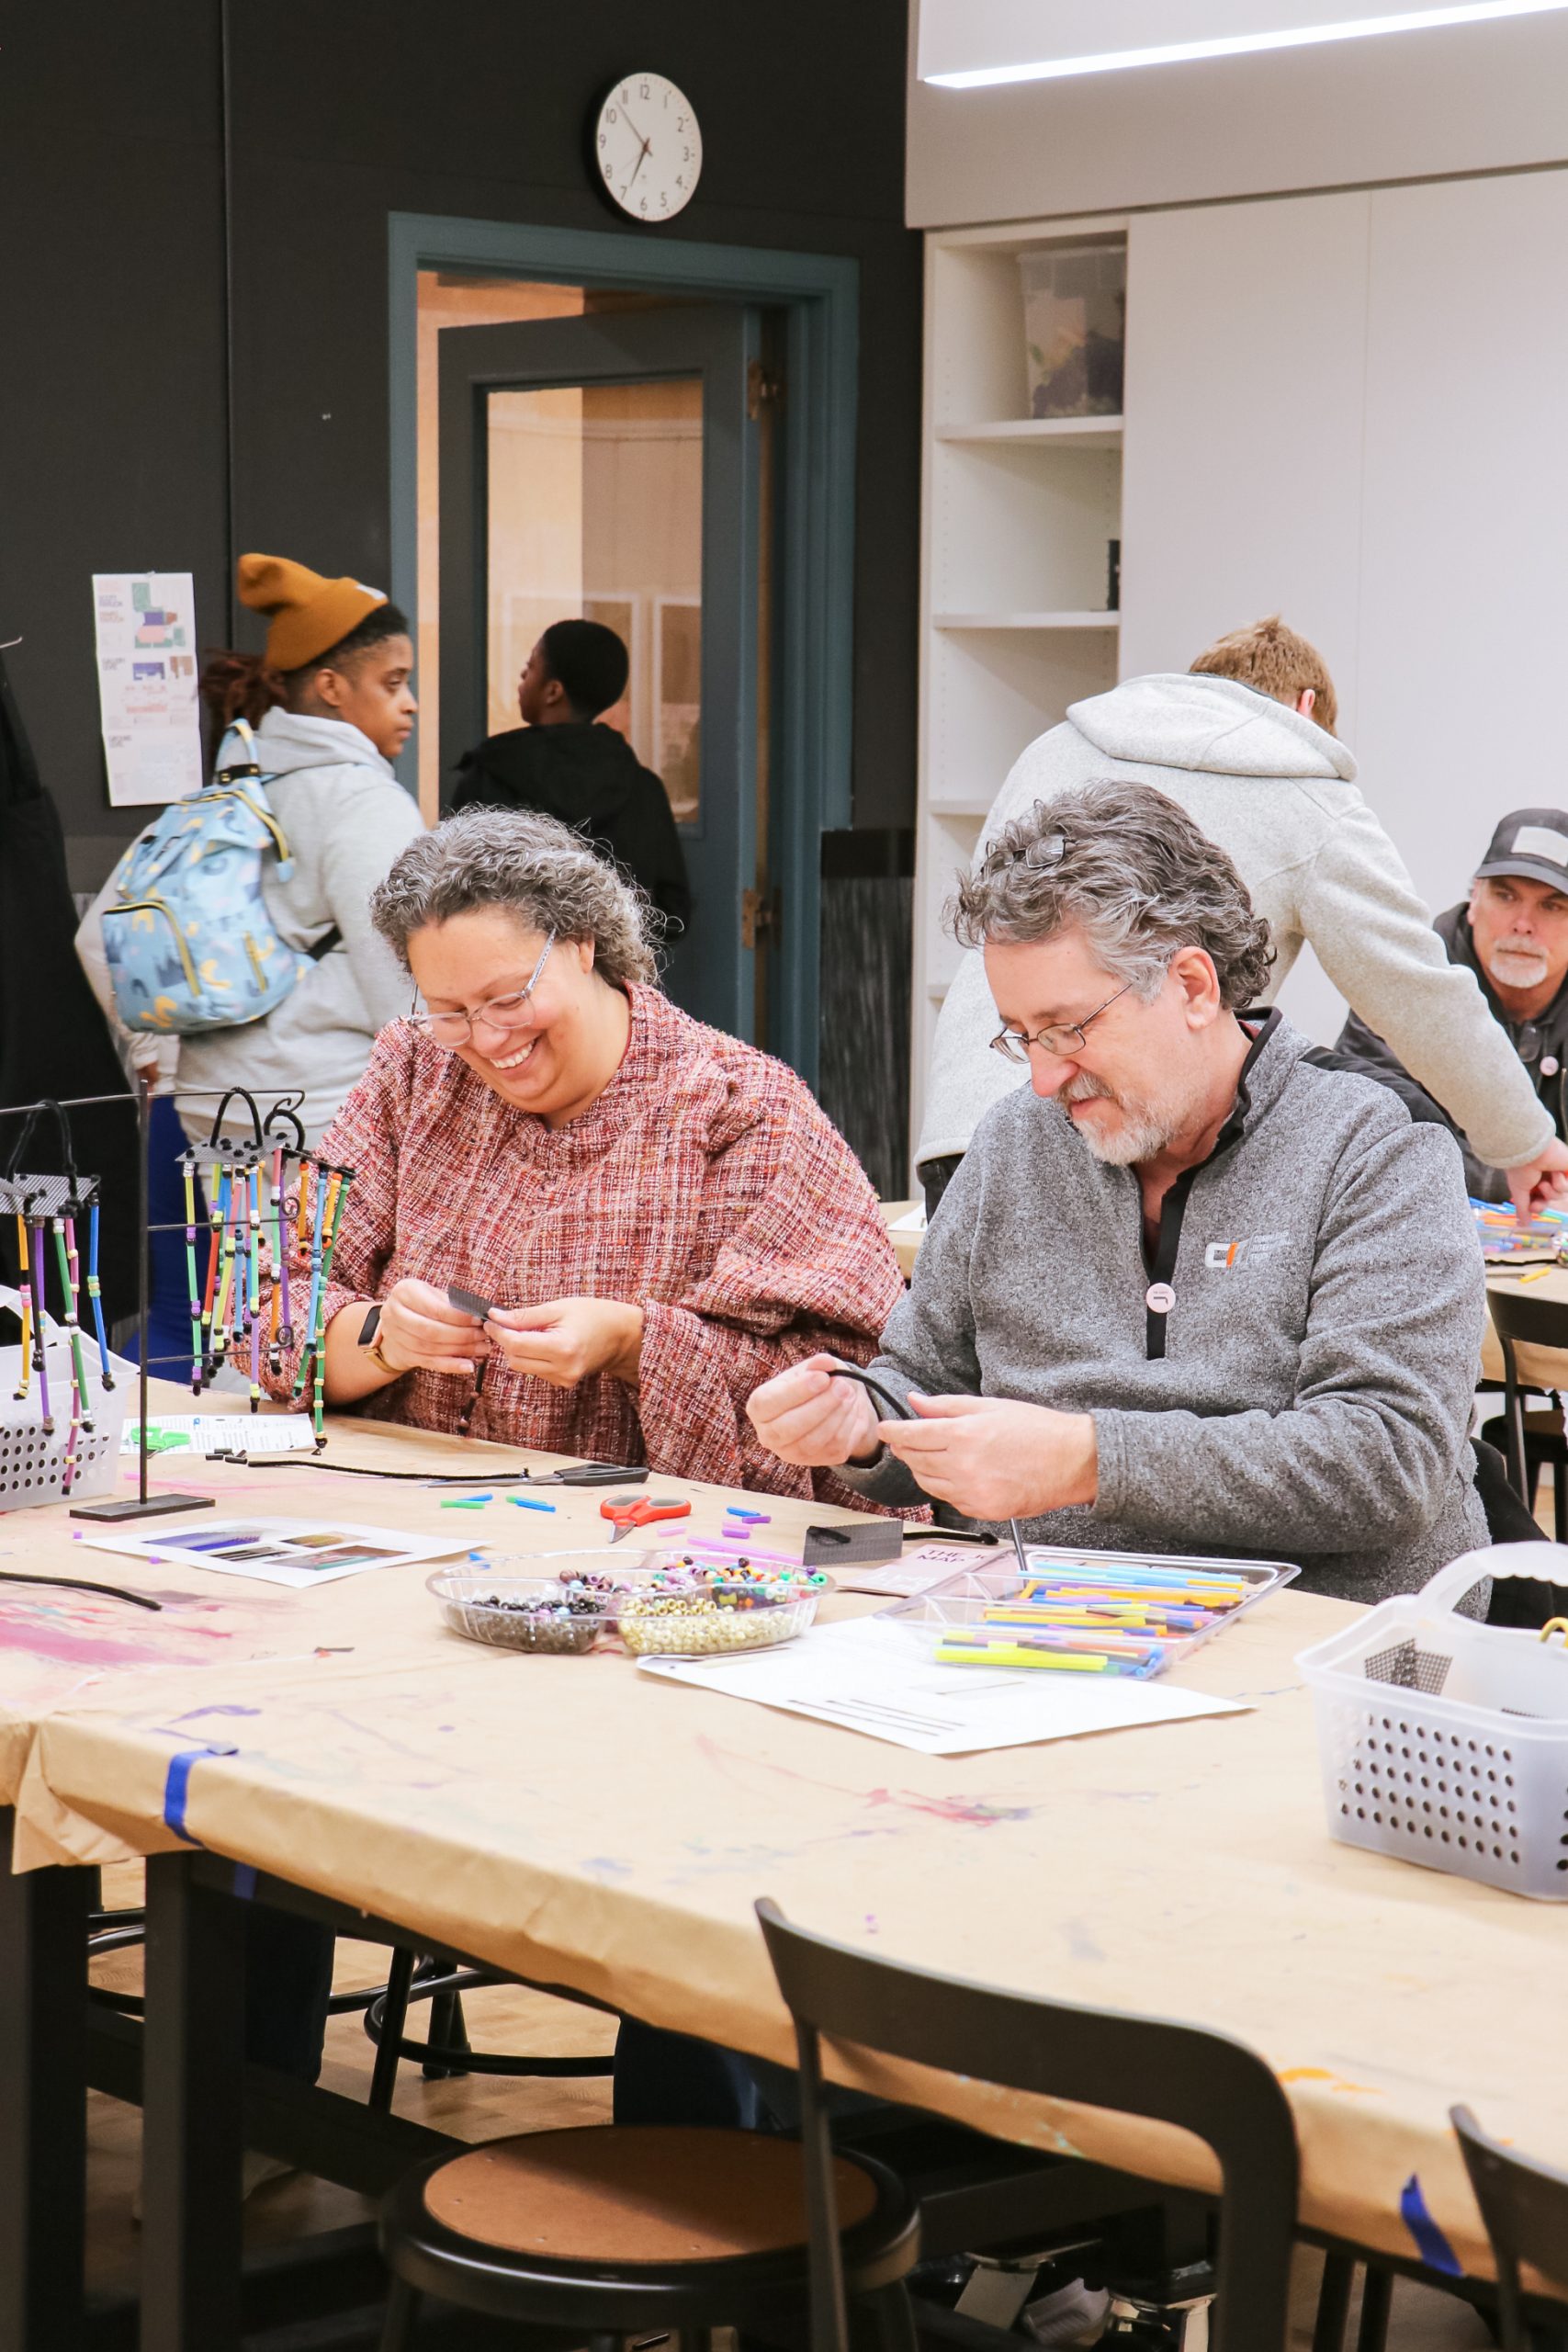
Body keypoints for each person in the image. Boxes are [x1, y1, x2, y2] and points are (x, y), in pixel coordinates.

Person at [750, 781, 1489, 1601]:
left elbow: (1388, 1463)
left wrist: (1088, 1460)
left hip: (1317, 1640)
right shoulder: (1011, 1146)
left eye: (1069, 1029)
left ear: (1193, 987)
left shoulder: (1373, 1153)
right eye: (1020, 1036)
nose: (1041, 1078)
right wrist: (859, 1424)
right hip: (1047, 1625)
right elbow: (921, 1377)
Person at [263, 806, 901, 1499]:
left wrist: (632, 1344)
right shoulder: (415, 1071)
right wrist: (384, 1338)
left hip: (653, 1550)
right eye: (449, 1011)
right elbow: (267, 1308)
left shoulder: (741, 1112)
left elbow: (857, 1385)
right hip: (407, 1512)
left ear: (582, 943)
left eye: (506, 998)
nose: (484, 1039)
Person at [916, 616, 1568, 1225]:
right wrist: (1522, 1140)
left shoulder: (1054, 749)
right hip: (1110, 1141)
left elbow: (990, 926)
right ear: (1305, 709)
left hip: (964, 1131)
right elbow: (1419, 992)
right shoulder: (1306, 793)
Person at [77, 554, 423, 1147]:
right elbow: (406, 992)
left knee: (240, 1247)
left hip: (211, 1112)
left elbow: (95, 939)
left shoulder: (218, 798)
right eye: (392, 682)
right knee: (324, 1249)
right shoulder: (368, 803)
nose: (410, 701)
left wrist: (153, 1052)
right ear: (332, 687)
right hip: (330, 1116)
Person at [1336, 808, 1568, 1203]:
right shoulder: (1404, 981)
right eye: (1505, 895)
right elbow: (1371, 1132)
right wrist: (1513, 1181)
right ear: (1475, 899)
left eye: (1553, 906)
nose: (1524, 924)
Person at [448, 617, 692, 941]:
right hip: (608, 981)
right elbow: (672, 912)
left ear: (553, 691)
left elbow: (452, 888)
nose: (522, 675)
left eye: (531, 666)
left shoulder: (489, 775)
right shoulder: (644, 788)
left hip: (512, 979)